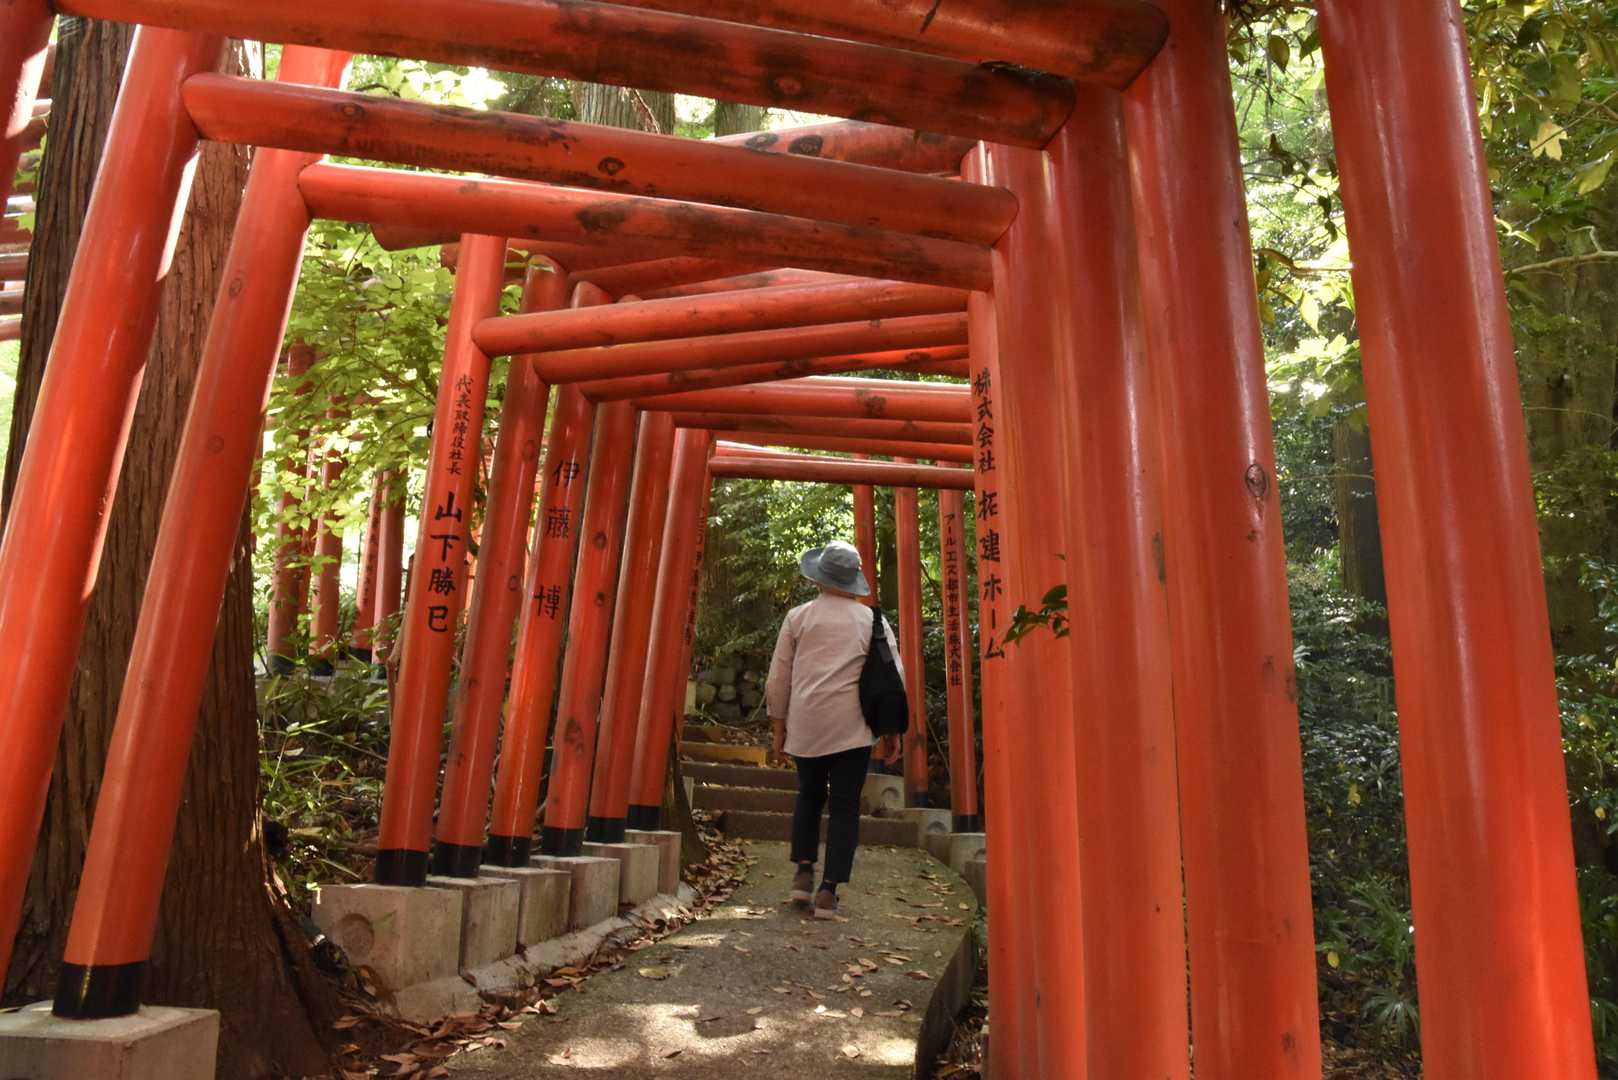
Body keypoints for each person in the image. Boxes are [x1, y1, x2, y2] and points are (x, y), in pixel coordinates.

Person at [765, 540, 902, 919]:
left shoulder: (798, 617)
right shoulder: (872, 621)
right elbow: (893, 678)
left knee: (809, 796)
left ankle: (802, 873)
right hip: (853, 727)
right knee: (845, 805)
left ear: (819, 578)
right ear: (853, 579)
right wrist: (892, 731)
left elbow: (779, 676)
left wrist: (778, 727)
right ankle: (828, 890)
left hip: (806, 722)